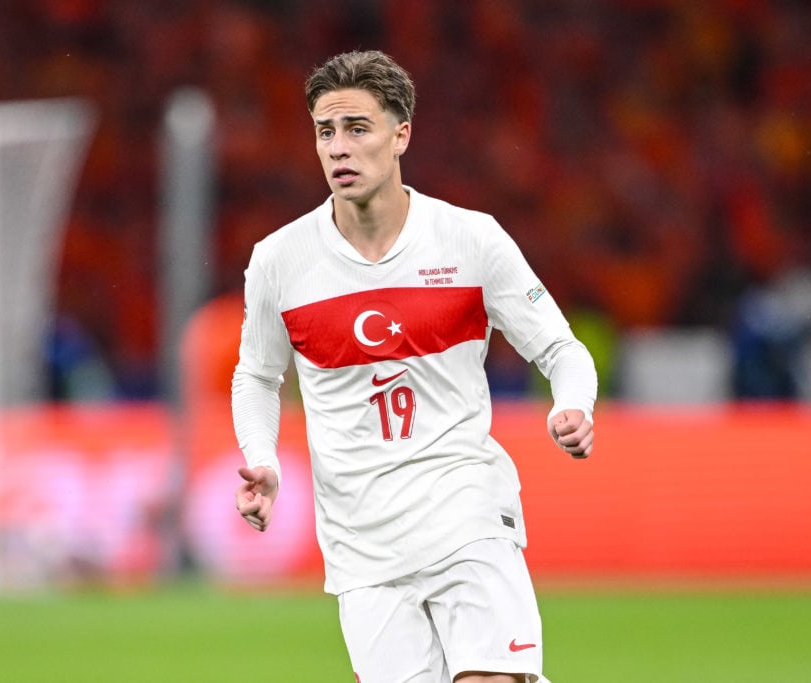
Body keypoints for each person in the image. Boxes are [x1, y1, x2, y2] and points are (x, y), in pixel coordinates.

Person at [232, 50, 596, 683]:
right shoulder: (279, 261)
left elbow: (561, 349)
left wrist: (573, 405)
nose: (338, 148)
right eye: (325, 131)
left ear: (401, 134)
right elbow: (258, 376)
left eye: (357, 128)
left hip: (466, 510)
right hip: (361, 544)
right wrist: (260, 457)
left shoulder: (470, 239)